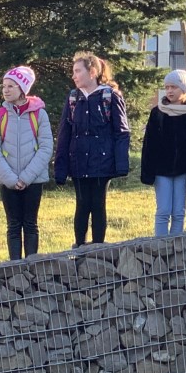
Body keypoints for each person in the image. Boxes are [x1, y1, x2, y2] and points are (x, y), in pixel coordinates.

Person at [54, 51, 130, 246]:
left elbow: (121, 132)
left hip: (102, 162)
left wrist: (121, 165)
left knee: (98, 205)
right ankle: (79, 247)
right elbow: (64, 133)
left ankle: (98, 248)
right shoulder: (73, 98)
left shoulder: (110, 96)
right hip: (78, 161)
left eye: (78, 71)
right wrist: (60, 168)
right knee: (81, 205)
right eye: (73, 71)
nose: (74, 76)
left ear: (93, 72)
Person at [0, 65, 53, 258]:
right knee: (13, 225)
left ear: (23, 89)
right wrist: (9, 178)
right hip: (8, 181)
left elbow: (46, 148)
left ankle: (32, 266)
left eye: (11, 86)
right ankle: (15, 269)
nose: (5, 90)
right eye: (4, 86)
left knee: (31, 224)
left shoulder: (39, 114)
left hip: (33, 180)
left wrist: (26, 177)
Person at [139, 69, 186, 237]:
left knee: (179, 212)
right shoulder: (157, 112)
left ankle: (175, 246)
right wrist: (147, 170)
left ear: (185, 89)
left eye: (174, 87)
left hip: (183, 169)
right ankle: (160, 246)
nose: (170, 91)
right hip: (161, 170)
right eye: (167, 87)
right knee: (163, 211)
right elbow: (149, 144)